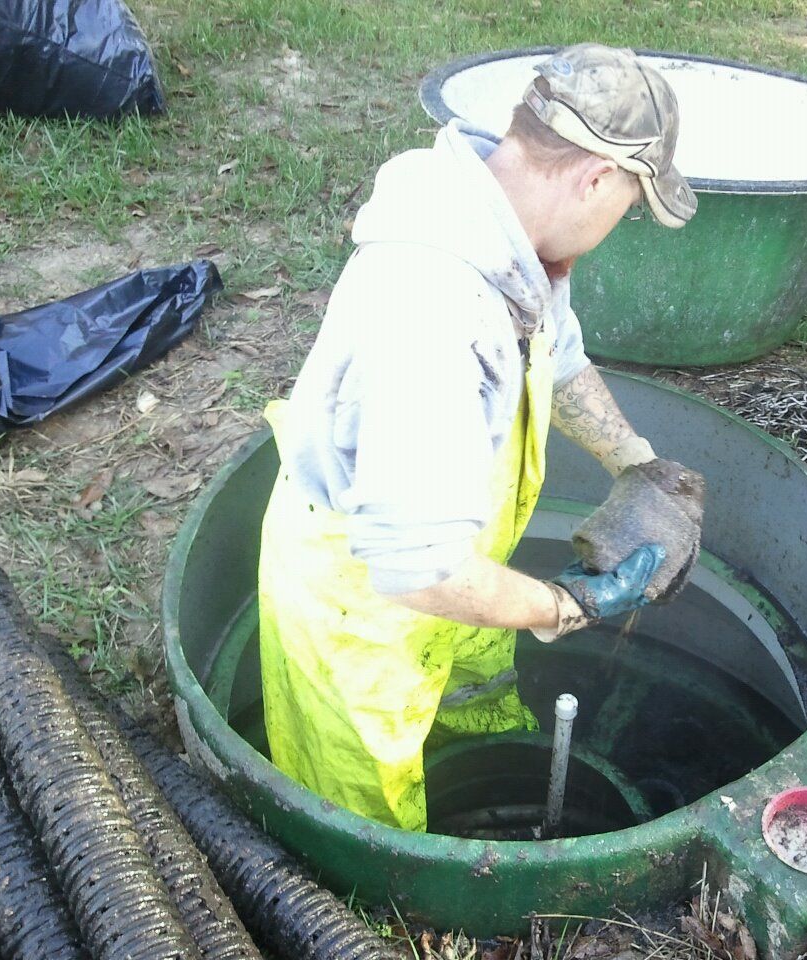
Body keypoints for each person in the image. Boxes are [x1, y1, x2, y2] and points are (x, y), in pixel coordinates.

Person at [256, 44, 699, 831]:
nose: (617, 225)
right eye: (629, 206)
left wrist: (640, 468)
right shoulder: (433, 315)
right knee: (364, 816)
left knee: (473, 694)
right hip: (365, 605)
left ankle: (475, 743)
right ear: (596, 177)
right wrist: (565, 605)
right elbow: (412, 569)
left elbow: (556, 356)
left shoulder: (506, 229)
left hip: (462, 565)